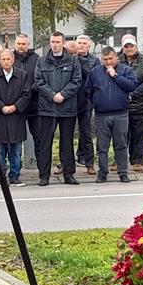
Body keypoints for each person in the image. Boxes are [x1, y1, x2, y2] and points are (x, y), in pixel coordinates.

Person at [34, 32, 82, 186]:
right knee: (45, 142)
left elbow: (76, 80)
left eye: (57, 42)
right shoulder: (41, 61)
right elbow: (38, 81)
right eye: (52, 41)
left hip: (67, 107)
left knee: (67, 142)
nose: (54, 44)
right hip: (47, 107)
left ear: (63, 43)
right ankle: (44, 175)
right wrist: (52, 95)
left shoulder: (73, 61)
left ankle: (69, 174)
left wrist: (63, 94)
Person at [85, 47, 138, 183]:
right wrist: (97, 103)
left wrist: (115, 76)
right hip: (101, 115)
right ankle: (102, 172)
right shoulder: (94, 72)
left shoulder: (126, 70)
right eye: (105, 59)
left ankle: (123, 172)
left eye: (110, 59)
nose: (108, 62)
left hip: (121, 114)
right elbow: (88, 91)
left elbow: (131, 85)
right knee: (102, 146)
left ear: (116, 58)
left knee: (121, 145)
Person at [0, 50, 32, 187]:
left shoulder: (22, 75)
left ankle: (15, 176)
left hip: (16, 117)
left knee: (16, 150)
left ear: (13, 60)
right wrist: (1, 107)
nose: (6, 61)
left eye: (8, 59)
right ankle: (1, 177)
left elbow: (26, 94)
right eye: (3, 59)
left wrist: (15, 107)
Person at [118, 37, 143, 171]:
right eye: (126, 46)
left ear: (136, 47)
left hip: (140, 104)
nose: (129, 49)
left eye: (131, 46)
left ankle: (137, 160)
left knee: (139, 134)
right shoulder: (117, 60)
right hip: (122, 104)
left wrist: (132, 94)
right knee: (121, 134)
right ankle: (119, 159)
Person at [66, 41, 96, 176]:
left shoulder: (84, 63)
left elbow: (90, 76)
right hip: (67, 104)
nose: (72, 56)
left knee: (86, 134)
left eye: (74, 53)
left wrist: (77, 62)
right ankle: (65, 163)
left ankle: (90, 163)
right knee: (66, 136)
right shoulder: (62, 64)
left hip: (84, 103)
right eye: (69, 53)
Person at [12, 34, 41, 169]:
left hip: (34, 106)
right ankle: (13, 171)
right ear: (15, 44)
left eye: (24, 44)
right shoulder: (10, 59)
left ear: (28, 44)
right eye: (18, 43)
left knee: (39, 139)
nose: (21, 46)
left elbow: (40, 79)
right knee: (14, 140)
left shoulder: (37, 59)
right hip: (16, 107)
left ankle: (43, 170)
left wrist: (29, 90)